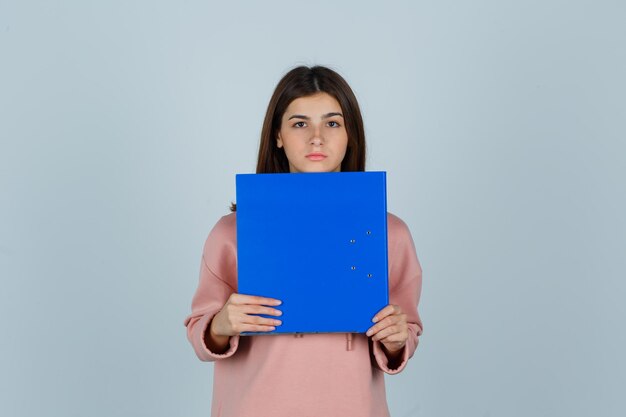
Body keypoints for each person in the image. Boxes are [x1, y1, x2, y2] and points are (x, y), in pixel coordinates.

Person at [184, 65, 423, 417]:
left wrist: (397, 338)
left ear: (350, 135)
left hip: (352, 406)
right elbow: (200, 332)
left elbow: (407, 331)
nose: (316, 137)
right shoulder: (231, 232)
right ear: (277, 136)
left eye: (332, 123)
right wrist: (220, 324)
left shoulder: (390, 234)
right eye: (299, 123)